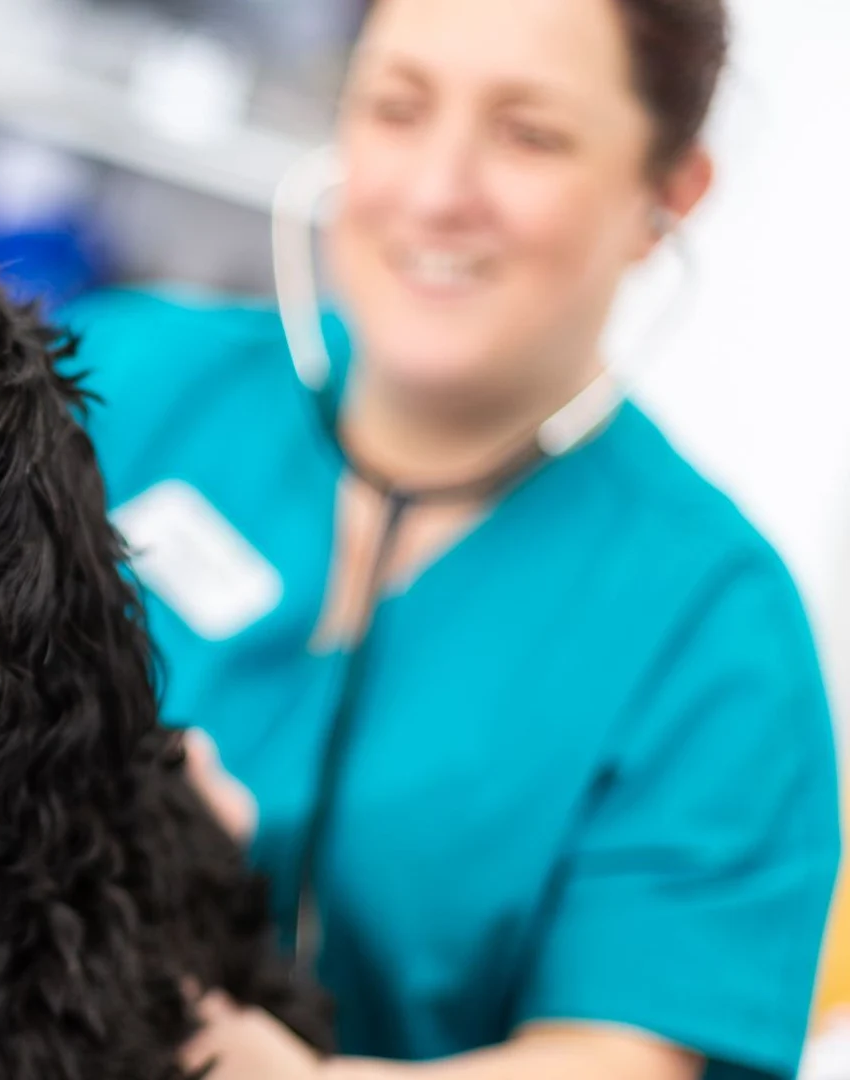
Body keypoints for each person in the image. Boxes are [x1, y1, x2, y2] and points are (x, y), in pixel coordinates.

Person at [60, 0, 842, 1076]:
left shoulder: (718, 636)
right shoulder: (118, 380)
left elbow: (626, 1058)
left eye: (530, 134)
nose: (436, 191)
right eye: (397, 107)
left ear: (667, 194)